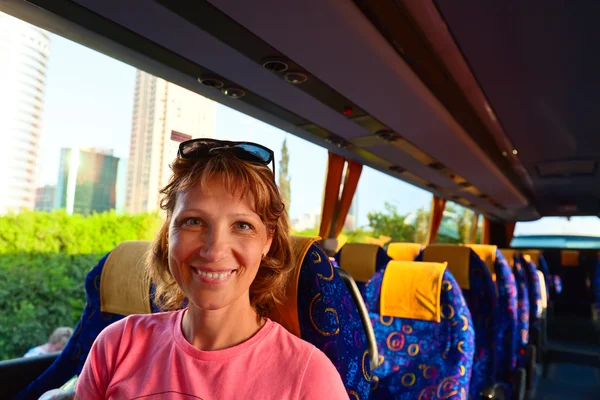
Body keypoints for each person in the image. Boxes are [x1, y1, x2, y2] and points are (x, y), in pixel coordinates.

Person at [75, 139, 347, 399]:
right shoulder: (116, 345)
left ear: (268, 239)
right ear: (169, 232)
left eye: (242, 226)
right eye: (194, 221)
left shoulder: (309, 377)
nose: (214, 250)